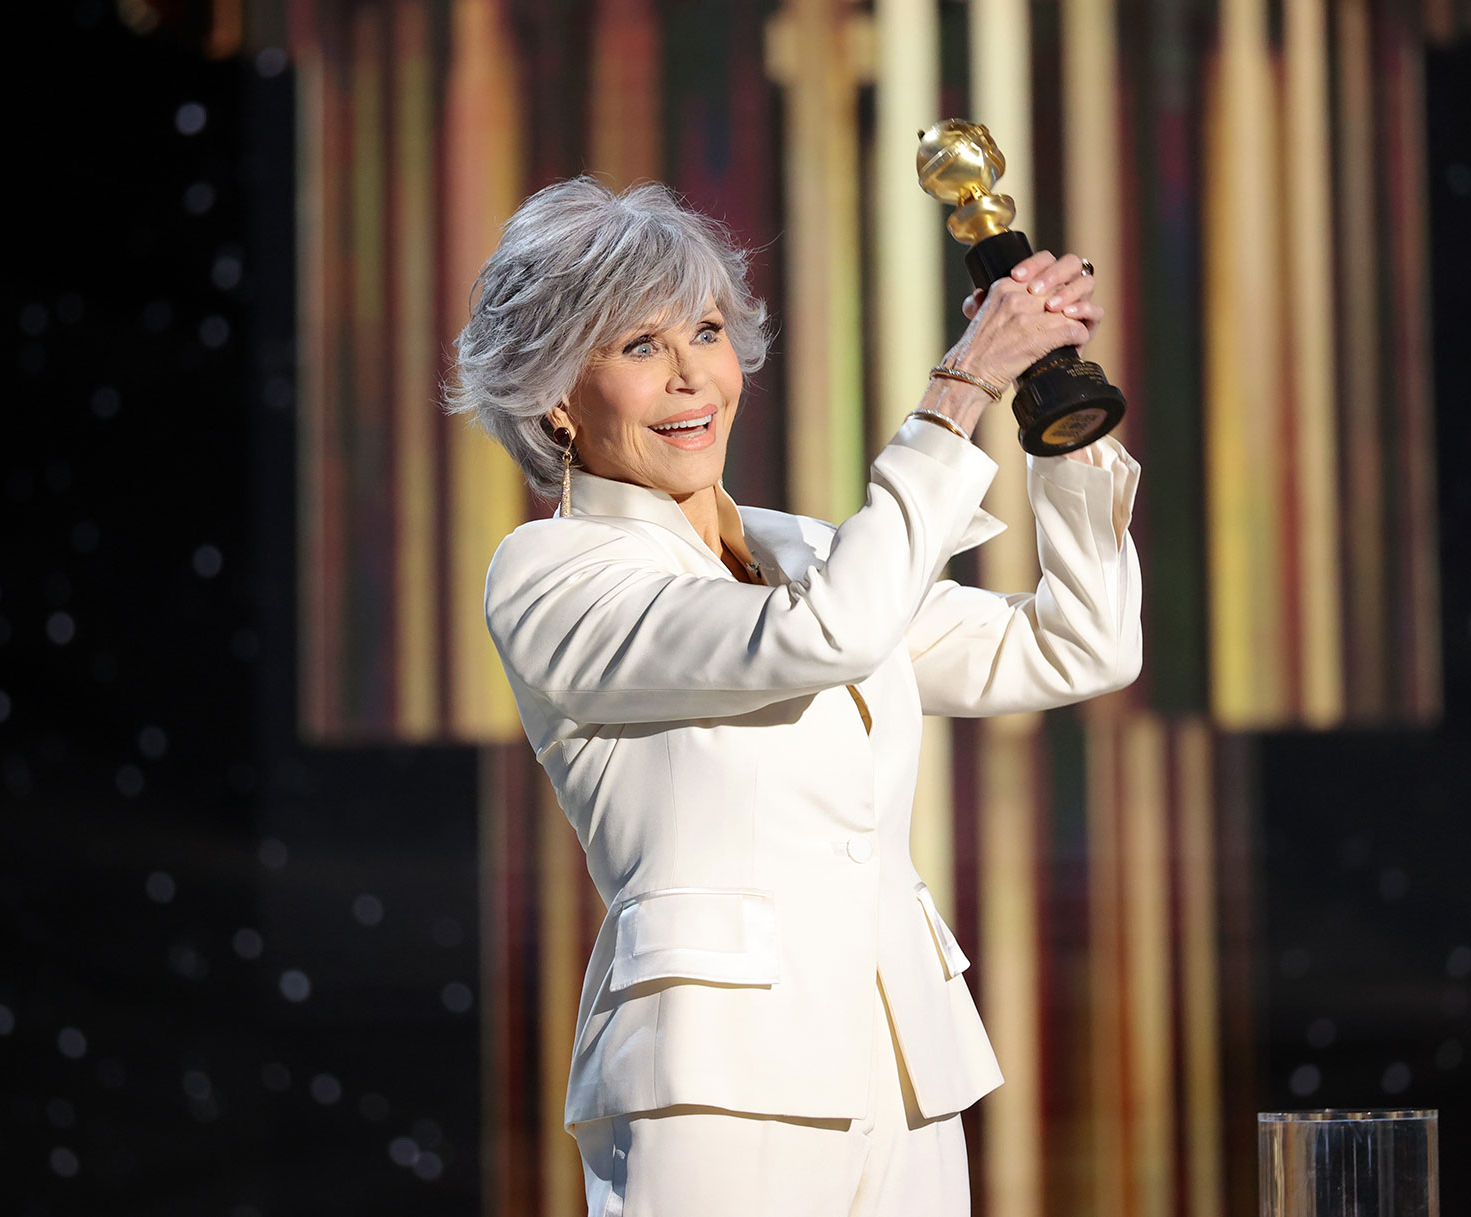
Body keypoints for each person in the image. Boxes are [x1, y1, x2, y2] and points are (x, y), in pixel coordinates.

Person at [444, 175, 1141, 1217]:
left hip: (905, 1070)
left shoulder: (805, 551)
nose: (694, 379)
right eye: (640, 347)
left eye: (708, 331)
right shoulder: (552, 571)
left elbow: (1076, 645)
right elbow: (831, 633)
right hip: (715, 1089)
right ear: (552, 390)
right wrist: (958, 389)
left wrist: (1056, 407)